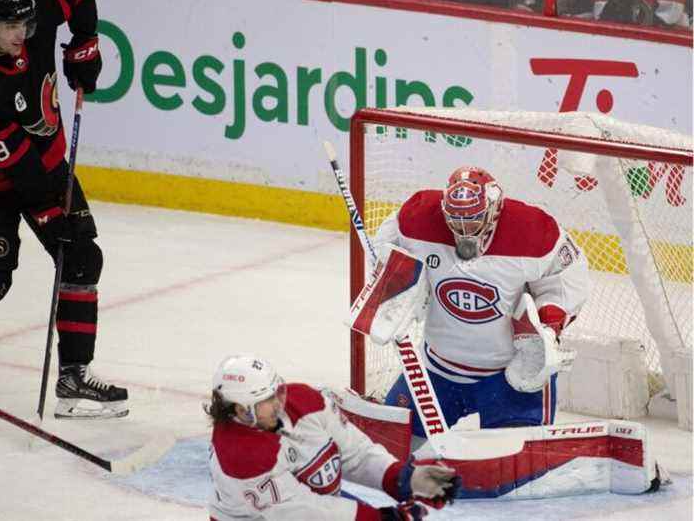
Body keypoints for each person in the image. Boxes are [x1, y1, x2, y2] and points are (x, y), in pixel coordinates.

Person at [0, 0, 128, 427]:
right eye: (10, 27)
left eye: (24, 24)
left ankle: (73, 378)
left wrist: (84, 44)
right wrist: (47, 210)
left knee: (81, 259)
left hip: (48, 167)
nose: (22, 34)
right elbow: (15, 160)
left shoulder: (35, 16)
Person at [375, 166, 590, 437]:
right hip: (437, 369)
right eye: (455, 218)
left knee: (511, 474)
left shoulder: (533, 230)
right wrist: (398, 287)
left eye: (474, 218)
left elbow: (568, 277)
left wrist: (548, 325)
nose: (464, 228)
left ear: (494, 207)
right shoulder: (416, 218)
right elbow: (384, 248)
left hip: (511, 378)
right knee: (389, 448)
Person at [207, 354, 459, 519]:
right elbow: (307, 513)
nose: (277, 404)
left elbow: (354, 451)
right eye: (265, 400)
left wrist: (400, 478)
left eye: (276, 393)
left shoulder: (304, 401)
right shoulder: (241, 456)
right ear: (240, 410)